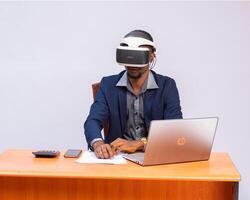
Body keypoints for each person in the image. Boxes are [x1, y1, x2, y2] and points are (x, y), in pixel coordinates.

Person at [84, 30, 182, 159]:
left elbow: (174, 130)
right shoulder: (108, 85)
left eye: (138, 58)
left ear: (152, 56)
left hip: (153, 155)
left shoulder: (167, 86)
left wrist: (139, 144)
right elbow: (93, 120)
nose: (132, 65)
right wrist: (98, 143)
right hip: (117, 158)